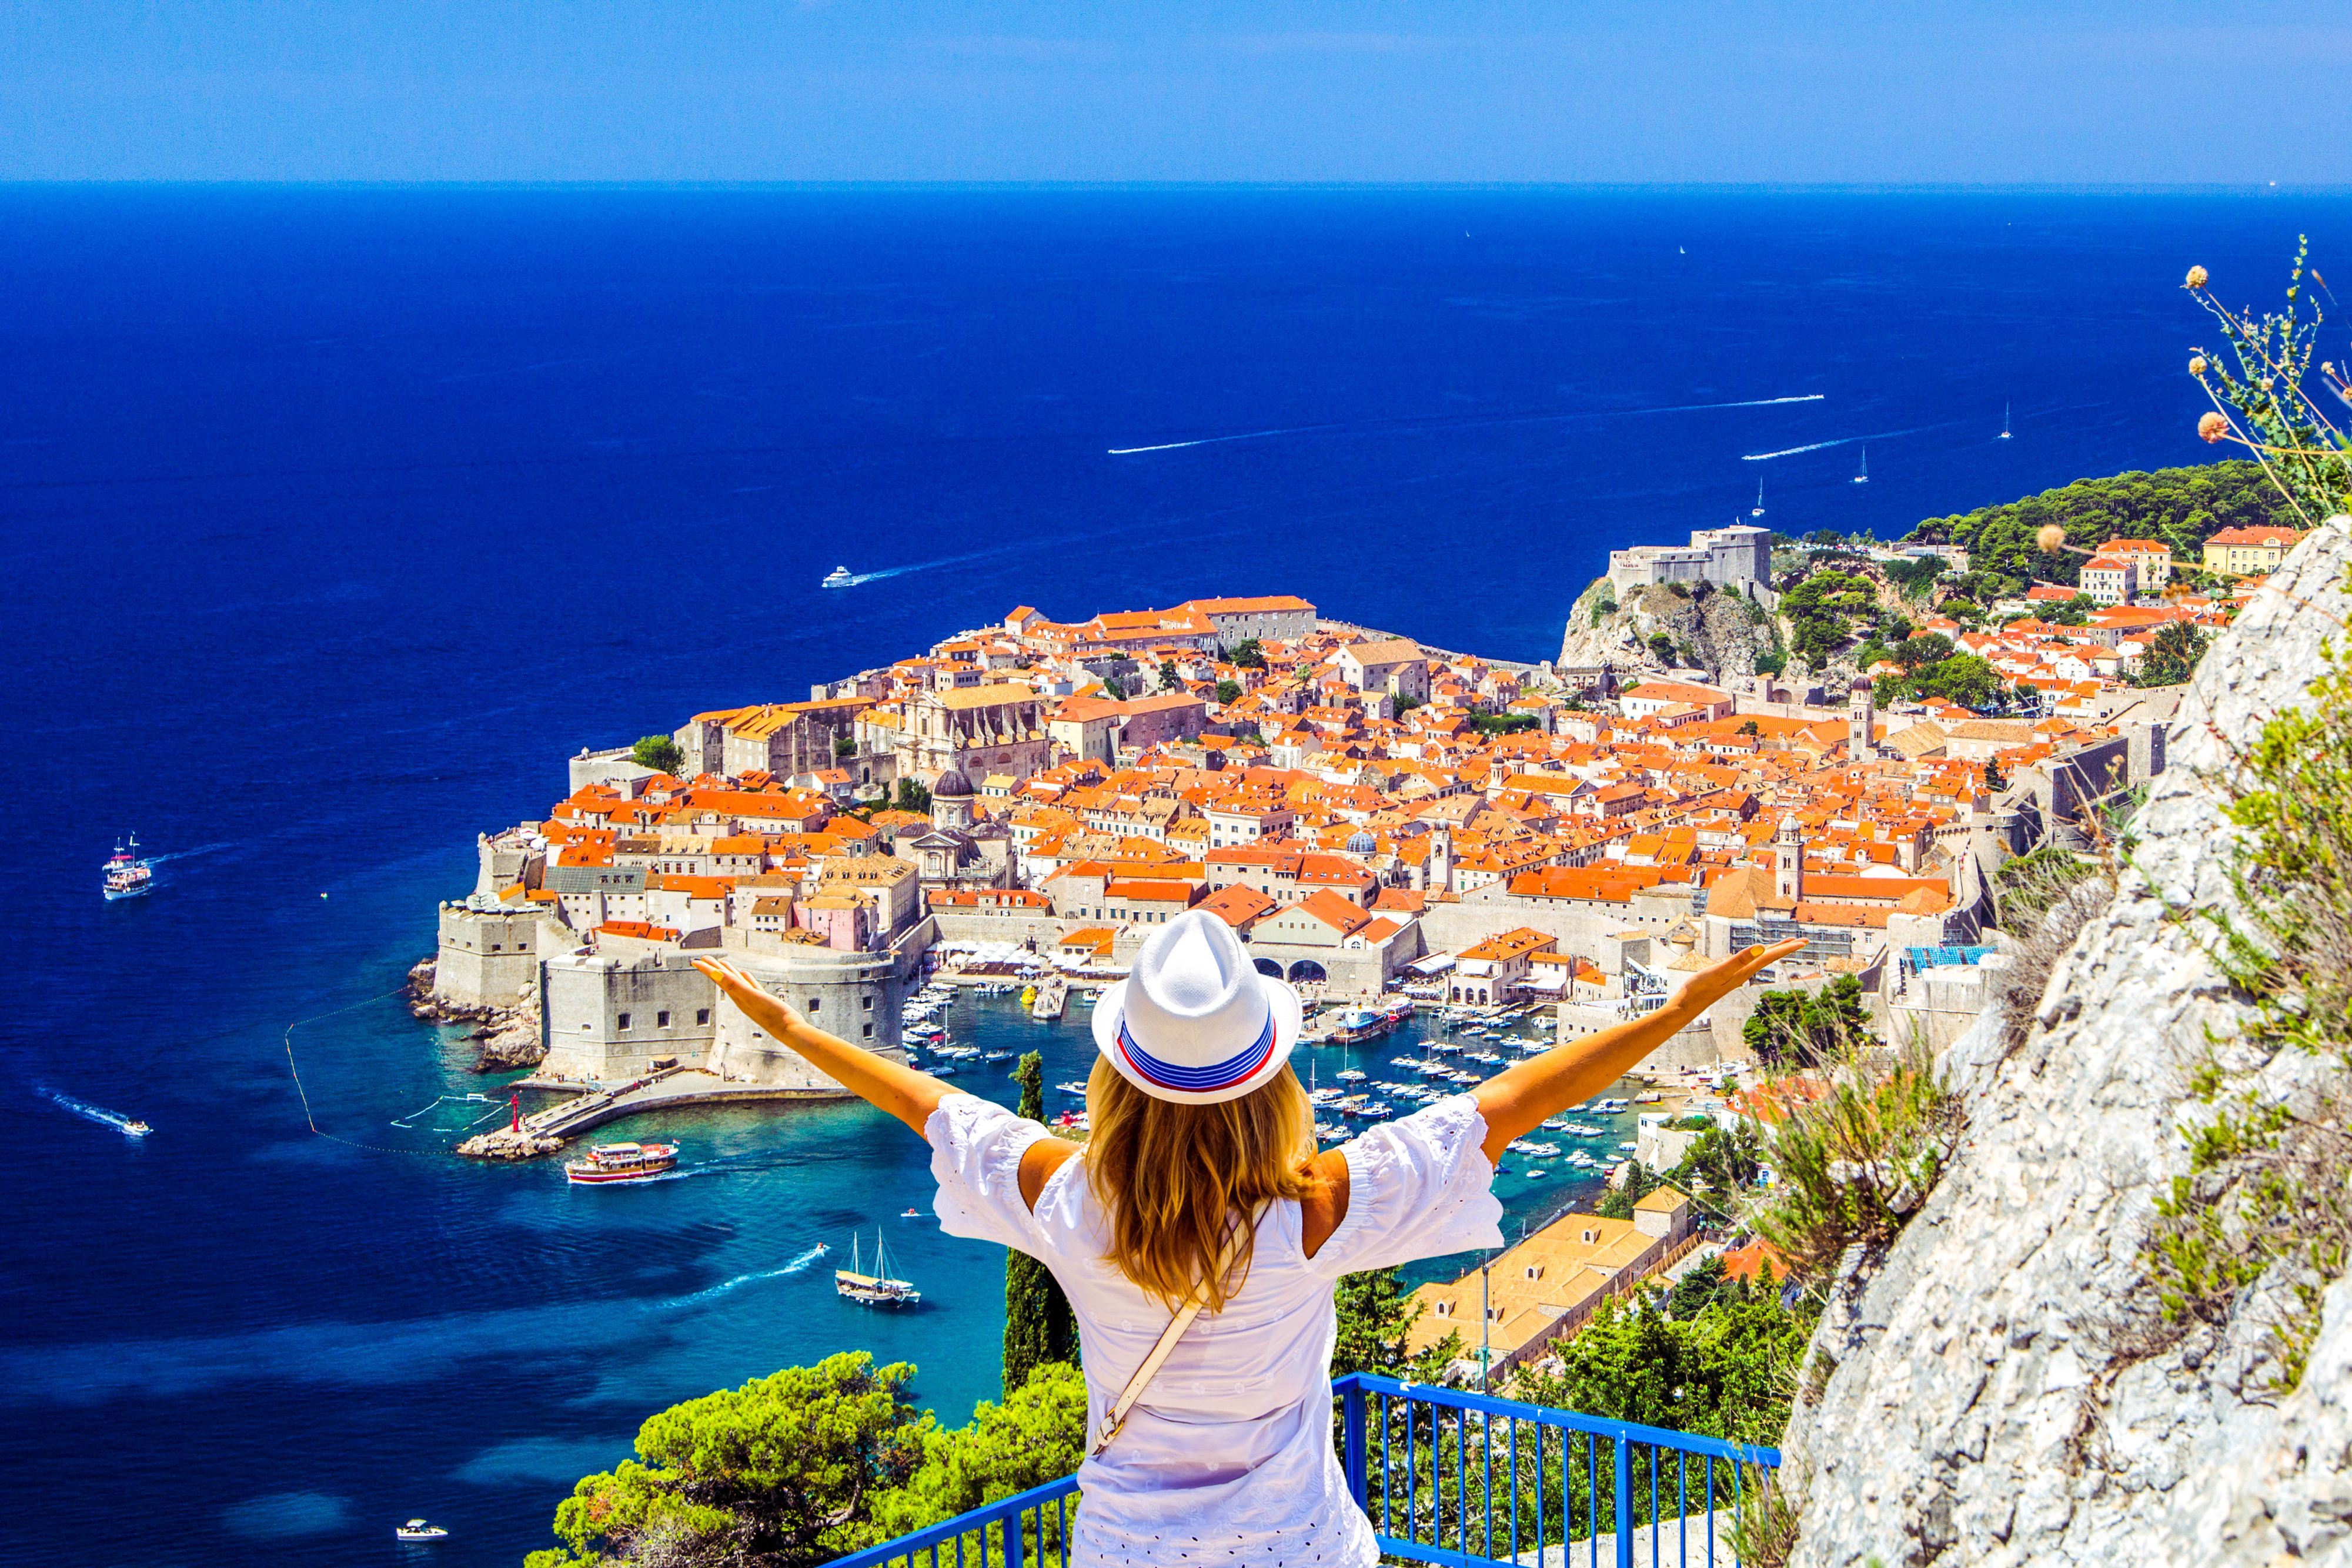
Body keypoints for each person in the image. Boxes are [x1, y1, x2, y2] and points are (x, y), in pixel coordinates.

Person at [696, 914, 1800, 1568]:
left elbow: (927, 1102)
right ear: (1266, 1078)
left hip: (1126, 1553)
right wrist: (1675, 1010)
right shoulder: (1319, 1208)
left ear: (1117, 1077)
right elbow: (1509, 1103)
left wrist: (793, 1030)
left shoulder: (1071, 1202)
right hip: (1296, 1547)